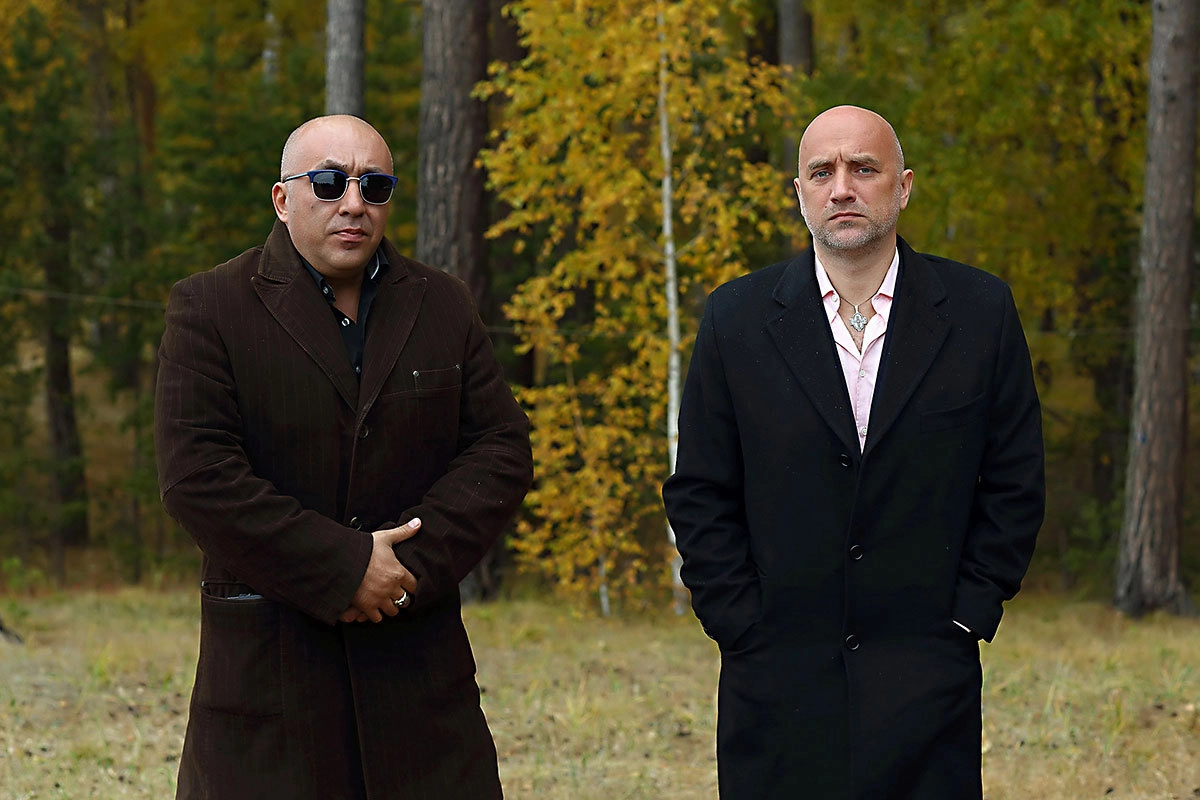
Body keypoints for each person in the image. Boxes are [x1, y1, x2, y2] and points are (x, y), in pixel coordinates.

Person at [661, 105, 1045, 799]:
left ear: (904, 186)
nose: (842, 188)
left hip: (928, 676)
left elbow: (1014, 478)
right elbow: (700, 490)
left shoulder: (980, 311)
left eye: (863, 168)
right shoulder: (735, 319)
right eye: (822, 172)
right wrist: (737, 621)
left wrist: (969, 611)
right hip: (775, 676)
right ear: (799, 192)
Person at [154, 115, 533, 800]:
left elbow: (500, 450)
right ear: (282, 199)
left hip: (417, 678)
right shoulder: (211, 306)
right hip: (272, 677)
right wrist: (345, 567)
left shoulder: (443, 304)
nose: (353, 203)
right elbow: (198, 477)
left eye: (374, 186)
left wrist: (402, 572)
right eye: (329, 183)